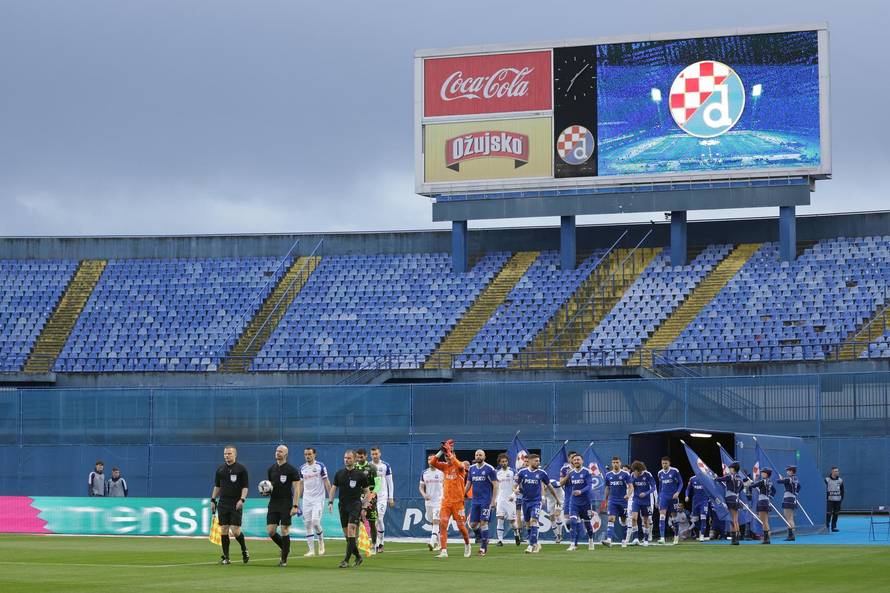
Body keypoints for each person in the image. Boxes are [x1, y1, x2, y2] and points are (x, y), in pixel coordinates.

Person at [428, 439, 471, 558]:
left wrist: (449, 452)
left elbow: (459, 464)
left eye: (449, 455)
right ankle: (443, 551)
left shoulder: (460, 467)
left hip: (458, 502)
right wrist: (441, 451)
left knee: (461, 527)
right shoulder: (444, 467)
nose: (447, 457)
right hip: (446, 502)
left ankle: (467, 544)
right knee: (443, 524)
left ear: (454, 455)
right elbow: (432, 462)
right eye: (446, 456)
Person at [329, 449, 372, 568]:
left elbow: (367, 492)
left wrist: (364, 507)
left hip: (355, 505)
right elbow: (333, 488)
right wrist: (330, 501)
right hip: (342, 506)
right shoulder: (339, 474)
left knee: (352, 530)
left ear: (354, 459)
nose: (347, 460)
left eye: (349, 458)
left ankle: (346, 560)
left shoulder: (360, 475)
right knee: (348, 536)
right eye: (345, 458)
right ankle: (358, 557)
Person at [210, 445, 250, 564]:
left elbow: (245, 487)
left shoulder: (241, 469)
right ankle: (226, 557)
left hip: (235, 502)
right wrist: (212, 500)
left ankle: (244, 549)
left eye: (229, 454)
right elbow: (217, 486)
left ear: (235, 455)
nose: (227, 456)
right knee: (224, 529)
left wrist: (242, 500)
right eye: (225, 454)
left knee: (235, 530)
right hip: (223, 502)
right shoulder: (220, 470)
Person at [515, 453, 560, 554]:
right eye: (536, 461)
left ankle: (531, 545)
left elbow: (549, 486)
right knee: (527, 525)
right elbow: (514, 486)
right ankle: (536, 543)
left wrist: (557, 498)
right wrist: (515, 490)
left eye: (539, 461)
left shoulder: (542, 473)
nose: (538, 462)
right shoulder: (522, 472)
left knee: (533, 521)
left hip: (536, 501)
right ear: (530, 461)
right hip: (525, 501)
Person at [263, 445, 301, 566]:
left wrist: (295, 506)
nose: (277, 453)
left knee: (284, 530)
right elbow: (270, 486)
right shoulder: (271, 469)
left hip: (286, 503)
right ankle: (286, 548)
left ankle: (283, 560)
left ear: (285, 454)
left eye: (280, 451)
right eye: (277, 451)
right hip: (273, 503)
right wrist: (266, 492)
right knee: (270, 531)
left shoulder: (291, 470)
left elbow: (297, 488)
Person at [299, 447, 331, 557]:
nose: (307, 456)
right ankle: (311, 550)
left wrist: (330, 499)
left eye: (309, 454)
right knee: (307, 524)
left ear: (314, 455)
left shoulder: (320, 466)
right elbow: (301, 485)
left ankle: (321, 542)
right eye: (306, 454)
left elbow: (327, 482)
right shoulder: (302, 468)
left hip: (318, 499)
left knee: (315, 522)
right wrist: (297, 501)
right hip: (306, 499)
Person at [466, 450, 498, 556]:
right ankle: (483, 537)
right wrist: (462, 494)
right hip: (475, 501)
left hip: (486, 501)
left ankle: (483, 548)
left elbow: (495, 485)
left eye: (480, 455)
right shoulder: (471, 468)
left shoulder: (490, 469)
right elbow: (468, 484)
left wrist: (493, 501)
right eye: (476, 455)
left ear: (484, 456)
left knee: (483, 522)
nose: (478, 456)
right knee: (473, 524)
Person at [562, 453, 595, 551]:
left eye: (578, 459)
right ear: (572, 461)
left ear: (582, 461)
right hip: (574, 502)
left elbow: (589, 486)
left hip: (586, 503)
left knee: (587, 523)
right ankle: (573, 544)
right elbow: (569, 486)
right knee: (573, 521)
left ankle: (591, 540)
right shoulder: (571, 473)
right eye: (574, 460)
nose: (576, 461)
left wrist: (580, 491)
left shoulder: (587, 472)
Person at [622, 461, 656, 547]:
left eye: (638, 472)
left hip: (646, 501)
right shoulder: (632, 475)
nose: (636, 474)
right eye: (635, 472)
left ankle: (646, 539)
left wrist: (646, 493)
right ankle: (636, 539)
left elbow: (653, 487)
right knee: (633, 518)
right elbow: (631, 487)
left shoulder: (647, 474)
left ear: (640, 470)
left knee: (645, 520)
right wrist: (628, 495)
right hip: (636, 500)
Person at [369, 447, 395, 553]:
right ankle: (375, 542)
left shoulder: (385, 466)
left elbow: (390, 482)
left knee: (379, 519)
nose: (374, 456)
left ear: (380, 454)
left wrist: (391, 497)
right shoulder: (368, 466)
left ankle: (381, 542)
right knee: (373, 521)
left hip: (382, 497)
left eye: (376, 454)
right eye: (372, 454)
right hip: (371, 497)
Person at [602, 457, 632, 547]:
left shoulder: (625, 474)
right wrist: (606, 500)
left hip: (623, 501)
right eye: (614, 462)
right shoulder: (608, 475)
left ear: (620, 463)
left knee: (623, 520)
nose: (615, 464)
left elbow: (631, 486)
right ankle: (609, 540)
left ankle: (623, 540)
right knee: (611, 519)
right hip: (612, 501)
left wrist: (628, 495)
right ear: (612, 463)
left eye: (617, 462)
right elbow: (607, 488)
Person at [354, 449, 379, 551]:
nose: (360, 458)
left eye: (362, 457)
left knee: (372, 521)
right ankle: (354, 544)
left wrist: (372, 495)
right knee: (355, 521)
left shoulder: (371, 467)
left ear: (366, 456)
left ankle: (373, 544)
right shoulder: (354, 467)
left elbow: (378, 484)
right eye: (358, 457)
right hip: (357, 498)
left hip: (370, 497)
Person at [714, 461, 744, 545]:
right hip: (736, 499)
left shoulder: (730, 476)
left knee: (732, 520)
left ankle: (734, 539)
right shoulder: (740, 479)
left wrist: (716, 477)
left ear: (733, 469)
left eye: (730, 468)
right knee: (736, 519)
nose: (729, 469)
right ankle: (737, 538)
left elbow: (719, 479)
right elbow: (741, 489)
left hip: (730, 499)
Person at [419, 458, 445, 551]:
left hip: (439, 501)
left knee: (435, 521)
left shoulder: (441, 472)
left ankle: (432, 541)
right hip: (428, 502)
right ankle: (438, 542)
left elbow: (446, 485)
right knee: (432, 522)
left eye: (432, 459)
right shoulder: (424, 473)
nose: (430, 461)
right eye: (429, 459)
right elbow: (421, 487)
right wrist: (424, 494)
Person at [657, 456, 683, 545]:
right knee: (662, 516)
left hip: (673, 497)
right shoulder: (660, 473)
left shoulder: (675, 471)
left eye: (666, 463)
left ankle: (676, 536)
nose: (664, 465)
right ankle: (662, 538)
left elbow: (681, 483)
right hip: (664, 497)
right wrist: (658, 498)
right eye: (663, 463)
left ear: (669, 463)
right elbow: (660, 487)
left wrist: (678, 492)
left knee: (674, 517)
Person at [748, 467, 776, 544]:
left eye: (763, 472)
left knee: (764, 521)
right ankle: (767, 538)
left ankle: (766, 539)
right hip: (766, 501)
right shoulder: (769, 482)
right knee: (765, 520)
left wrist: (751, 483)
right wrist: (770, 497)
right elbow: (774, 490)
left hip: (762, 501)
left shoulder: (763, 481)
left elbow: (753, 485)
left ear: (766, 474)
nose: (761, 473)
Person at [494, 453, 517, 547]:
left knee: (512, 521)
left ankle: (516, 535)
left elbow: (517, 485)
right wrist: (495, 499)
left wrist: (513, 495)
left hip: (510, 499)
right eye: (502, 461)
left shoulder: (513, 472)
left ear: (508, 462)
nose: (504, 463)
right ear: (499, 463)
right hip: (500, 499)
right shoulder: (497, 473)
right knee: (500, 518)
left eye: (505, 461)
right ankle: (500, 540)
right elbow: (496, 487)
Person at [776, 465, 802, 541]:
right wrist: (796, 494)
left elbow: (778, 481)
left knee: (788, 518)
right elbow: (799, 487)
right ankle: (792, 535)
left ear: (791, 471)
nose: (787, 472)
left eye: (788, 470)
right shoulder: (796, 479)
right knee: (791, 518)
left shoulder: (789, 479)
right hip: (793, 498)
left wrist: (781, 479)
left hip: (788, 499)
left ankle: (791, 535)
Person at [685, 474, 710, 541]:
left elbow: (711, 489)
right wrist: (686, 496)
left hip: (704, 502)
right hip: (695, 502)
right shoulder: (692, 479)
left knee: (703, 518)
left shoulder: (706, 478)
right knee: (694, 521)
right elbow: (687, 489)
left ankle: (702, 535)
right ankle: (700, 530)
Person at [825, 466, 844, 532]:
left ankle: (834, 527)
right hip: (830, 500)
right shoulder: (827, 480)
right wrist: (826, 498)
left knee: (836, 513)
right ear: (832, 472)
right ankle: (827, 526)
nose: (837, 472)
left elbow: (842, 490)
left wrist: (841, 498)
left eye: (838, 471)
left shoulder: (840, 480)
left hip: (838, 500)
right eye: (836, 471)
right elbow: (824, 490)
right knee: (828, 513)